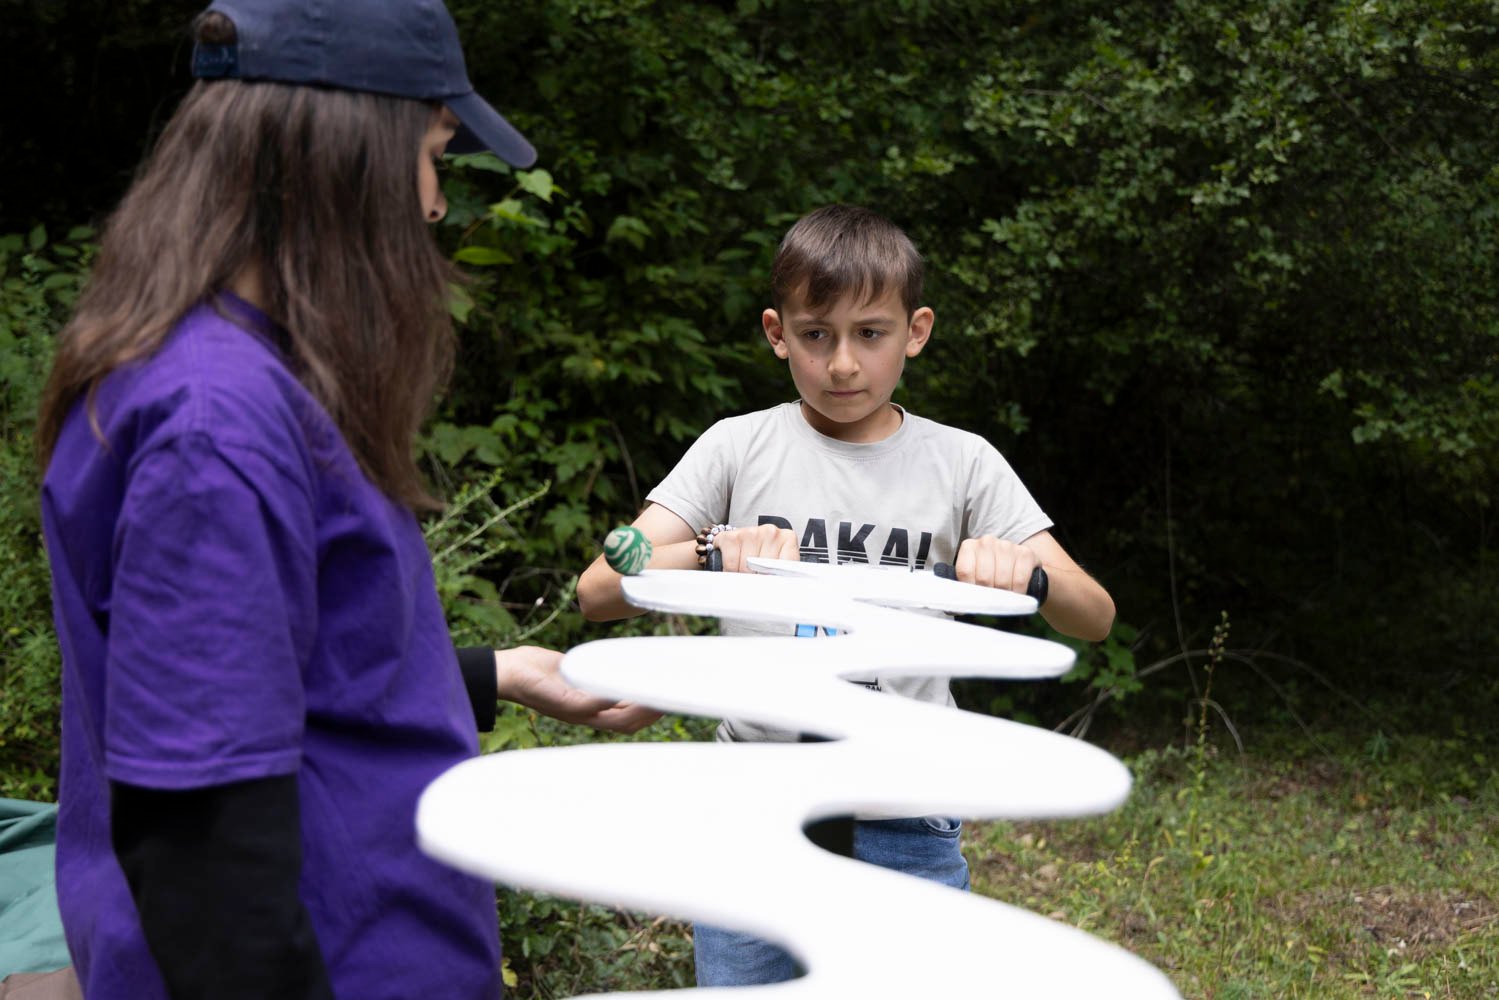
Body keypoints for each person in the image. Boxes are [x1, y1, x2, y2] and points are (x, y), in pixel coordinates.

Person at [34, 2, 658, 998]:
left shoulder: (217, 374)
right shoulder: (217, 426)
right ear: (340, 159)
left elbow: (267, 676)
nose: (434, 205)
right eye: (433, 156)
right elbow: (206, 861)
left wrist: (496, 674)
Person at [576, 203, 1116, 986]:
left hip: (905, 815)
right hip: (752, 815)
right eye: (814, 335)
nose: (841, 365)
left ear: (916, 331)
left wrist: (1025, 574)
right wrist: (706, 553)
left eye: (869, 333)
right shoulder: (737, 446)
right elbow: (598, 590)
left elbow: (1092, 615)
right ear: (776, 332)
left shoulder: (961, 463)